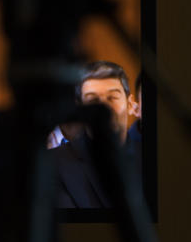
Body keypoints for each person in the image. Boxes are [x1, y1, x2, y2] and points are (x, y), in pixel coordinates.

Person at [54, 60, 141, 208]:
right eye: (93, 99)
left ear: (130, 104)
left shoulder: (154, 157)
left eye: (112, 97)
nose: (104, 109)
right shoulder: (56, 164)